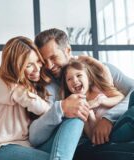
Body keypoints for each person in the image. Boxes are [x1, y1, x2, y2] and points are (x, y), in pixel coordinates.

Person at [29, 28, 134, 160]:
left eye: (53, 57)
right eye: (45, 61)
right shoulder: (49, 89)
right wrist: (61, 108)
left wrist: (108, 118)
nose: (49, 66)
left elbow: (132, 92)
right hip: (89, 145)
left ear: (67, 50)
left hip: (121, 126)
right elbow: (34, 136)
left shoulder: (99, 70)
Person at [0, 36, 83, 160]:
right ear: (16, 66)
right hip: (5, 148)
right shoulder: (2, 79)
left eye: (38, 61)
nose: (37, 68)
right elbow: (33, 103)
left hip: (32, 146)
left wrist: (77, 62)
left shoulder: (33, 83)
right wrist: (61, 108)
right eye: (29, 65)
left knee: (76, 117)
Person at [60, 59, 125, 140]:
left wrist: (101, 101)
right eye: (69, 79)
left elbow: (121, 97)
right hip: (112, 135)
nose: (75, 80)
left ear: (88, 78)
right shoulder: (78, 105)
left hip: (121, 118)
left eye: (79, 75)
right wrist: (90, 114)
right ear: (67, 86)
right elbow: (92, 136)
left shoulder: (98, 88)